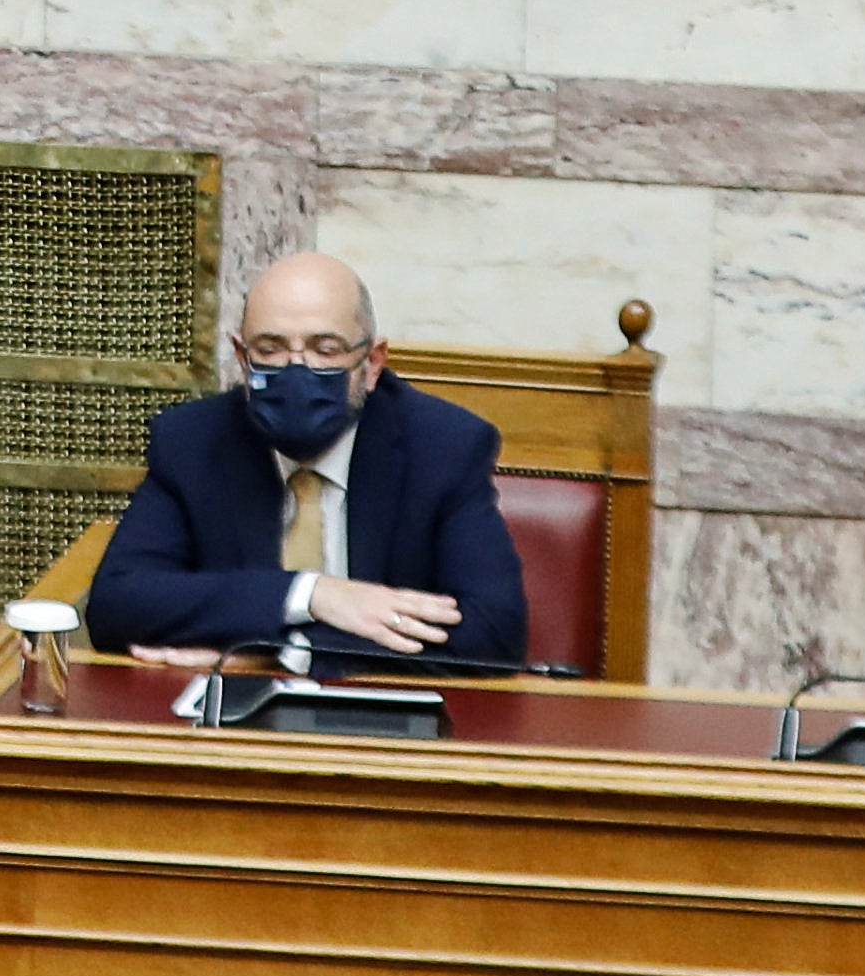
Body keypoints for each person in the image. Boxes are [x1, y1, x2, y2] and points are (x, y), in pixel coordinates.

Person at [88, 252, 534, 672]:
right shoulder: (194, 442)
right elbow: (118, 604)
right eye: (271, 348)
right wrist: (311, 594)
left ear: (373, 362)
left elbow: (494, 633)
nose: (297, 369)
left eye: (326, 349)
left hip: (382, 731)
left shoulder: (442, 447)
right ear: (242, 357)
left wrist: (287, 651)